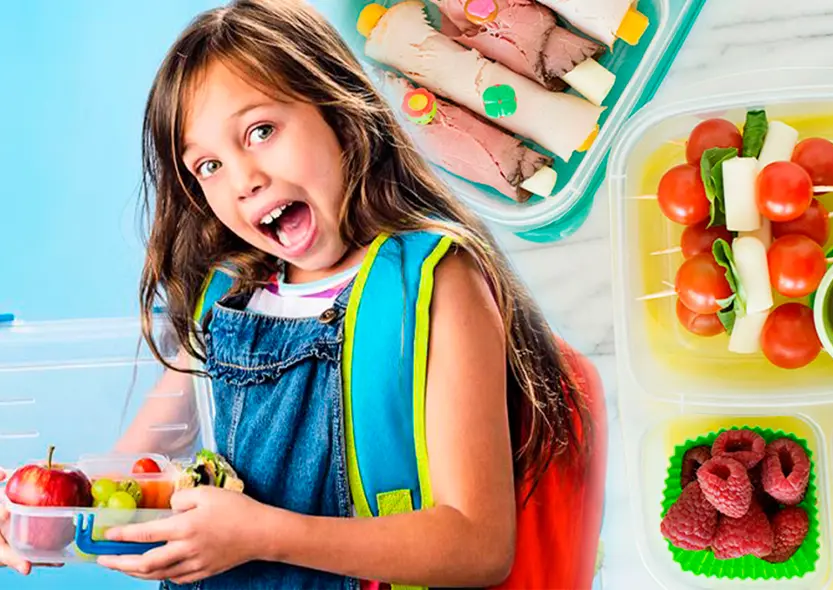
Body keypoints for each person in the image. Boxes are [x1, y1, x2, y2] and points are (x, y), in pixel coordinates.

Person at [0, 0, 606, 588]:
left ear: (338, 113)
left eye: (260, 130)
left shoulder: (433, 282)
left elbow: (478, 545)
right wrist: (37, 511)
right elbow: (130, 480)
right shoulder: (227, 299)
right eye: (207, 166)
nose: (243, 180)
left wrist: (264, 534)